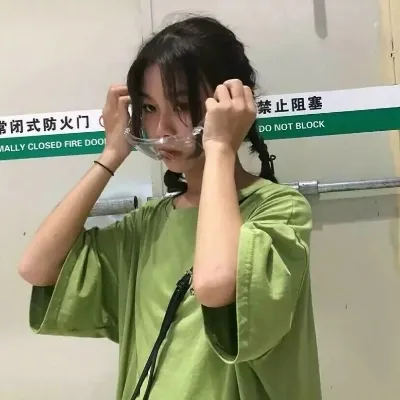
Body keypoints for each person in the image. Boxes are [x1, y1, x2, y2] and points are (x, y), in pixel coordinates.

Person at [18, 15, 322, 400]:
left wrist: (219, 147)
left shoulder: (278, 210)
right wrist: (112, 154)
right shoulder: (148, 225)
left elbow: (215, 284)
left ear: (228, 104)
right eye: (148, 108)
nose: (162, 128)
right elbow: (36, 267)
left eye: (181, 105)